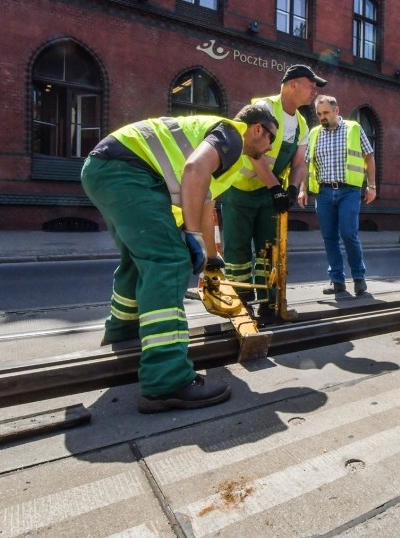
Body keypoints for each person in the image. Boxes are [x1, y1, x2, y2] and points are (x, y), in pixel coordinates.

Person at [81, 104, 279, 413]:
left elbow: (204, 204)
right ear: (257, 129)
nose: (269, 148)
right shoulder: (232, 134)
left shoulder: (222, 152)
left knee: (140, 258)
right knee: (169, 261)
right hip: (127, 171)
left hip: (109, 169)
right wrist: (188, 234)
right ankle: (166, 381)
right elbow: (193, 170)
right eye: (271, 139)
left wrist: (212, 257)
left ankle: (124, 330)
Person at [221, 65, 326, 325]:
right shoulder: (264, 108)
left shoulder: (301, 123)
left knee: (270, 250)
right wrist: (276, 188)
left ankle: (270, 304)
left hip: (269, 195)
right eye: (310, 84)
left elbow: (299, 162)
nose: (315, 91)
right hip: (240, 190)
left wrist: (291, 188)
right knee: (237, 250)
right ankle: (240, 306)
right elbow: (254, 153)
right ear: (292, 84)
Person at [299, 95, 377, 296]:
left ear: (336, 110)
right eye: (318, 114)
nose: (322, 117)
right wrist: (302, 189)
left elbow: (369, 157)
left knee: (348, 233)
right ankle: (337, 280)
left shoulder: (353, 129)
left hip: (349, 191)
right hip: (324, 192)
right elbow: (307, 164)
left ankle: (359, 278)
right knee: (329, 237)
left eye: (325, 113)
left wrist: (372, 186)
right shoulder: (315, 133)